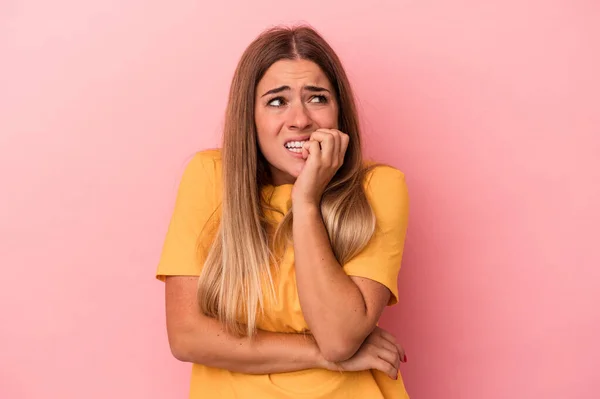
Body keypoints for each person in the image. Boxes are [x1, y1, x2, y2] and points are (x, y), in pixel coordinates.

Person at [156, 24, 410, 399]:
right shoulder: (209, 177)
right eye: (277, 101)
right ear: (251, 116)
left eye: (317, 98)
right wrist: (321, 356)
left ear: (339, 111)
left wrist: (306, 201)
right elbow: (187, 337)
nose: (301, 120)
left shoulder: (379, 188)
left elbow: (339, 337)